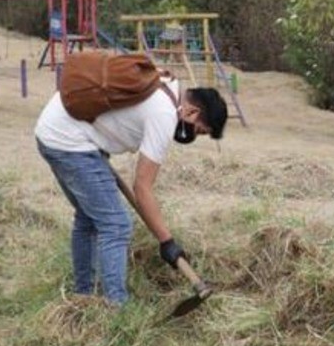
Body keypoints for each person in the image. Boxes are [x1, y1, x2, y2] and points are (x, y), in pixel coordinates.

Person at [35, 73, 228, 305]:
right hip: (69, 140)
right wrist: (167, 242)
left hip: (53, 129)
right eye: (199, 131)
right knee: (116, 224)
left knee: (89, 217)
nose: (192, 136)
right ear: (192, 112)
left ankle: (83, 296)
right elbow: (142, 187)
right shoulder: (165, 114)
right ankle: (116, 306)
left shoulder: (166, 83)